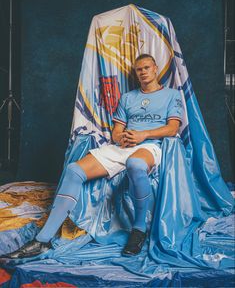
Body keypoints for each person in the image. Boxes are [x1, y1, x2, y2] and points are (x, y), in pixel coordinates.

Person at [3, 54, 183, 259]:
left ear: (155, 68)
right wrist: (122, 138)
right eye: (139, 69)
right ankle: (43, 240)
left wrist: (144, 134)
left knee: (135, 164)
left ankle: (139, 229)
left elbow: (172, 128)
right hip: (124, 145)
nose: (143, 72)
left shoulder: (171, 95)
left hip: (150, 145)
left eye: (147, 68)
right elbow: (116, 131)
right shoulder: (127, 98)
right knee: (74, 170)